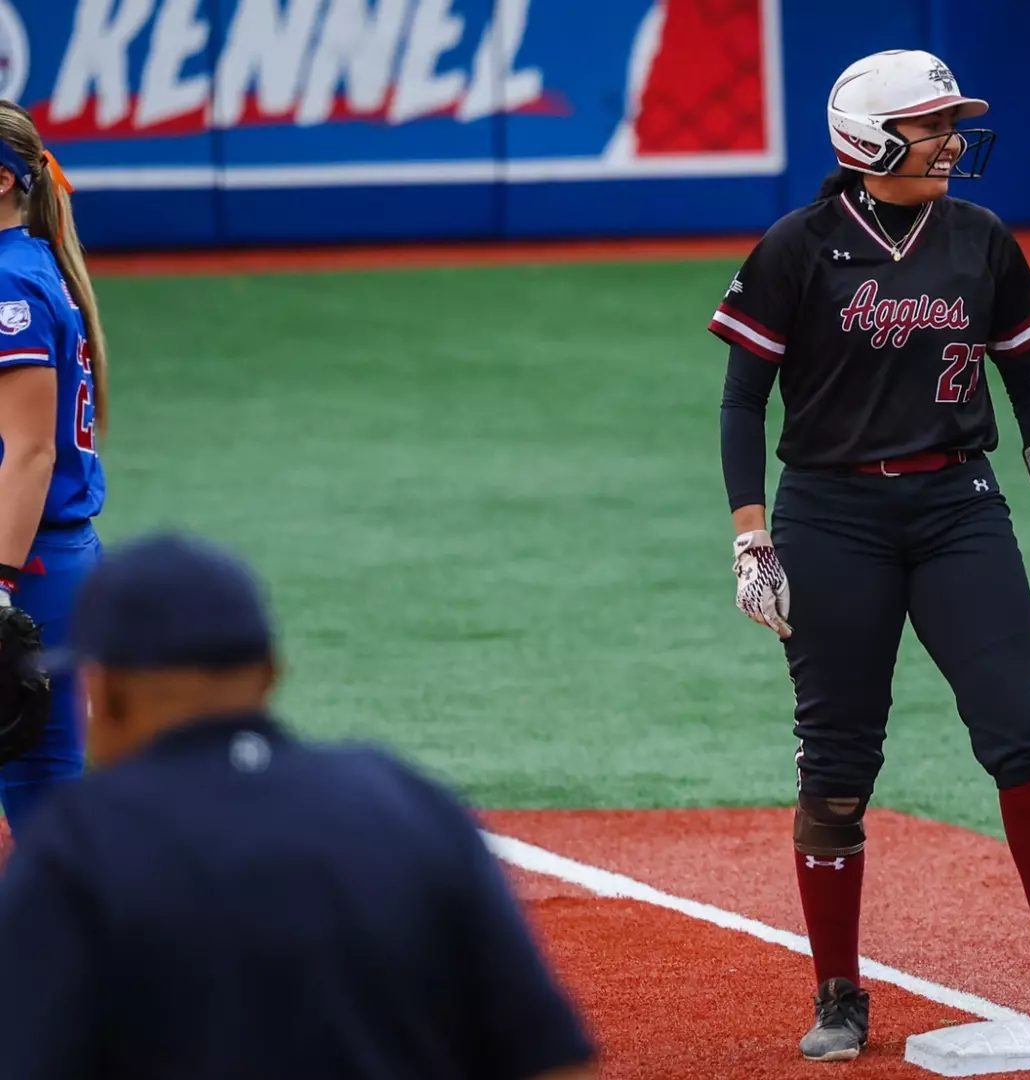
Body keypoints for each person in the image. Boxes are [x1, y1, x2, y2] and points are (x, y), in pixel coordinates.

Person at [710, 48, 1030, 1063]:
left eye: (947, 123)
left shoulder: (980, 239)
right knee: (838, 758)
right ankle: (839, 991)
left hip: (956, 504)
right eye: (933, 124)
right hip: (831, 515)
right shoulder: (797, 248)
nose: (950, 140)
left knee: (1022, 730)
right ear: (871, 140)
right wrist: (749, 538)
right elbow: (741, 401)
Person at [0, 531, 598, 1080]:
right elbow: (555, 1063)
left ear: (103, 688)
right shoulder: (410, 805)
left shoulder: (79, 845)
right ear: (269, 674)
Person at [0, 102, 108, 834]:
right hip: (44, 554)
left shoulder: (10, 287)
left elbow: (31, 449)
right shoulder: (28, 268)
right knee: (44, 771)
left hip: (26, 560)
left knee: (41, 779)